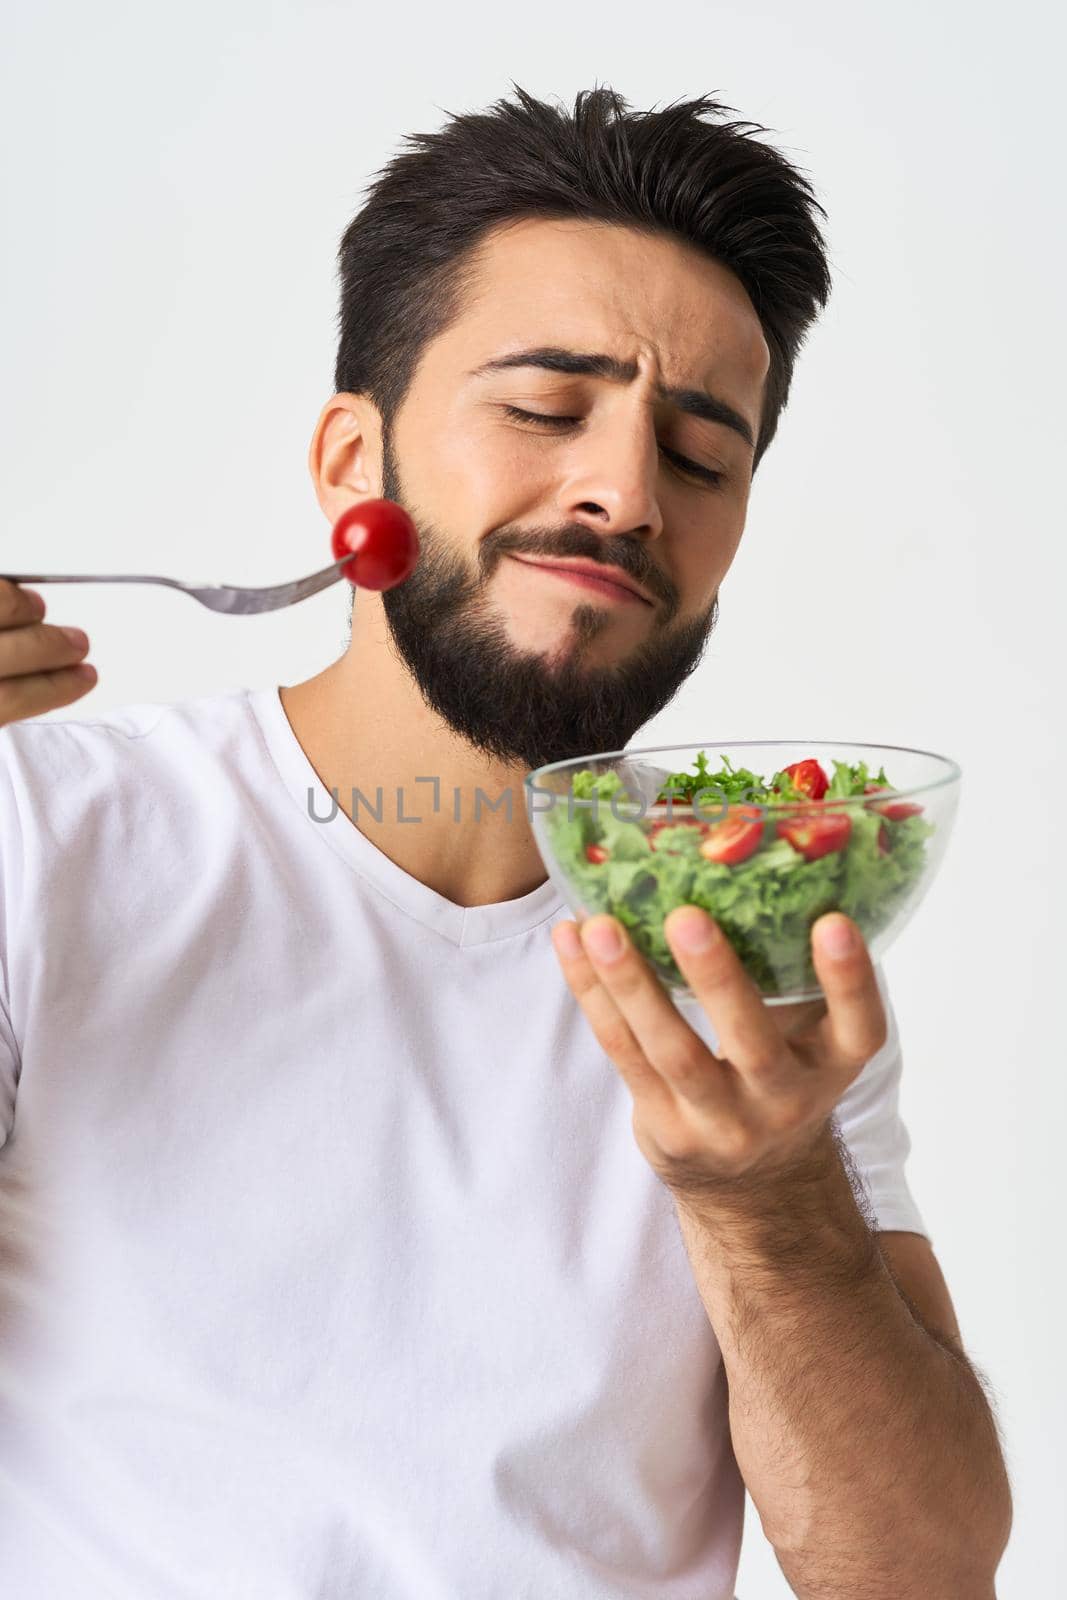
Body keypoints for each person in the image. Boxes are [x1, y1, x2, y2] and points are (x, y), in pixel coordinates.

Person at [0, 86, 1012, 1598]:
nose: (623, 493)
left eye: (702, 456)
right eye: (546, 409)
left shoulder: (752, 936)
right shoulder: (45, 836)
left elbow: (916, 1573)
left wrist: (768, 1200)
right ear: (355, 464)